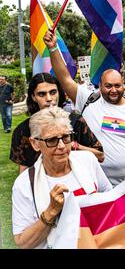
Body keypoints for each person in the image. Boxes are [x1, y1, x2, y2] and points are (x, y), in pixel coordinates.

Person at [44, 30, 125, 186]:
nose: (113, 90)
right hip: (92, 182)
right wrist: (53, 48)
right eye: (108, 86)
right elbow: (65, 79)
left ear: (124, 84)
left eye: (117, 85)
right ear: (100, 86)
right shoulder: (88, 99)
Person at [12, 107, 112, 249]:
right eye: (51, 140)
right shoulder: (24, 184)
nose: (62, 146)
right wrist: (51, 212)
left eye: (66, 137)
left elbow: (109, 201)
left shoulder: (88, 161)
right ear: (35, 144)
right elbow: (23, 243)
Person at [10, 73, 104, 174]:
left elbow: (100, 156)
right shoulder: (23, 130)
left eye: (53, 92)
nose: (49, 98)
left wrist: (74, 145)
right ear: (33, 97)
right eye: (42, 94)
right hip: (41, 185)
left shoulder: (76, 122)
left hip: (78, 181)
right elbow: (23, 169)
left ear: (59, 93)